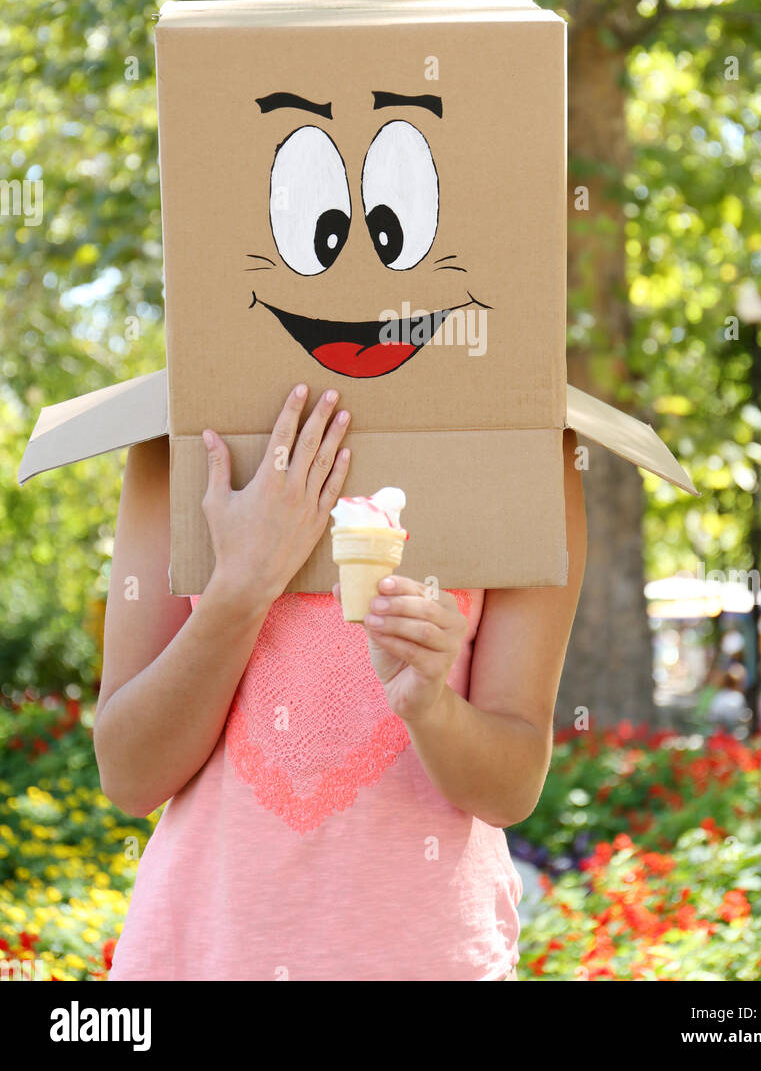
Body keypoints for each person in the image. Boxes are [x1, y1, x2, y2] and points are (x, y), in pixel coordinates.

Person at [95, 384, 587, 981]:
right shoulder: (177, 437)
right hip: (200, 957)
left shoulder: (528, 442)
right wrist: (243, 587)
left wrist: (431, 706)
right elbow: (129, 776)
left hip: (430, 959)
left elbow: (509, 790)